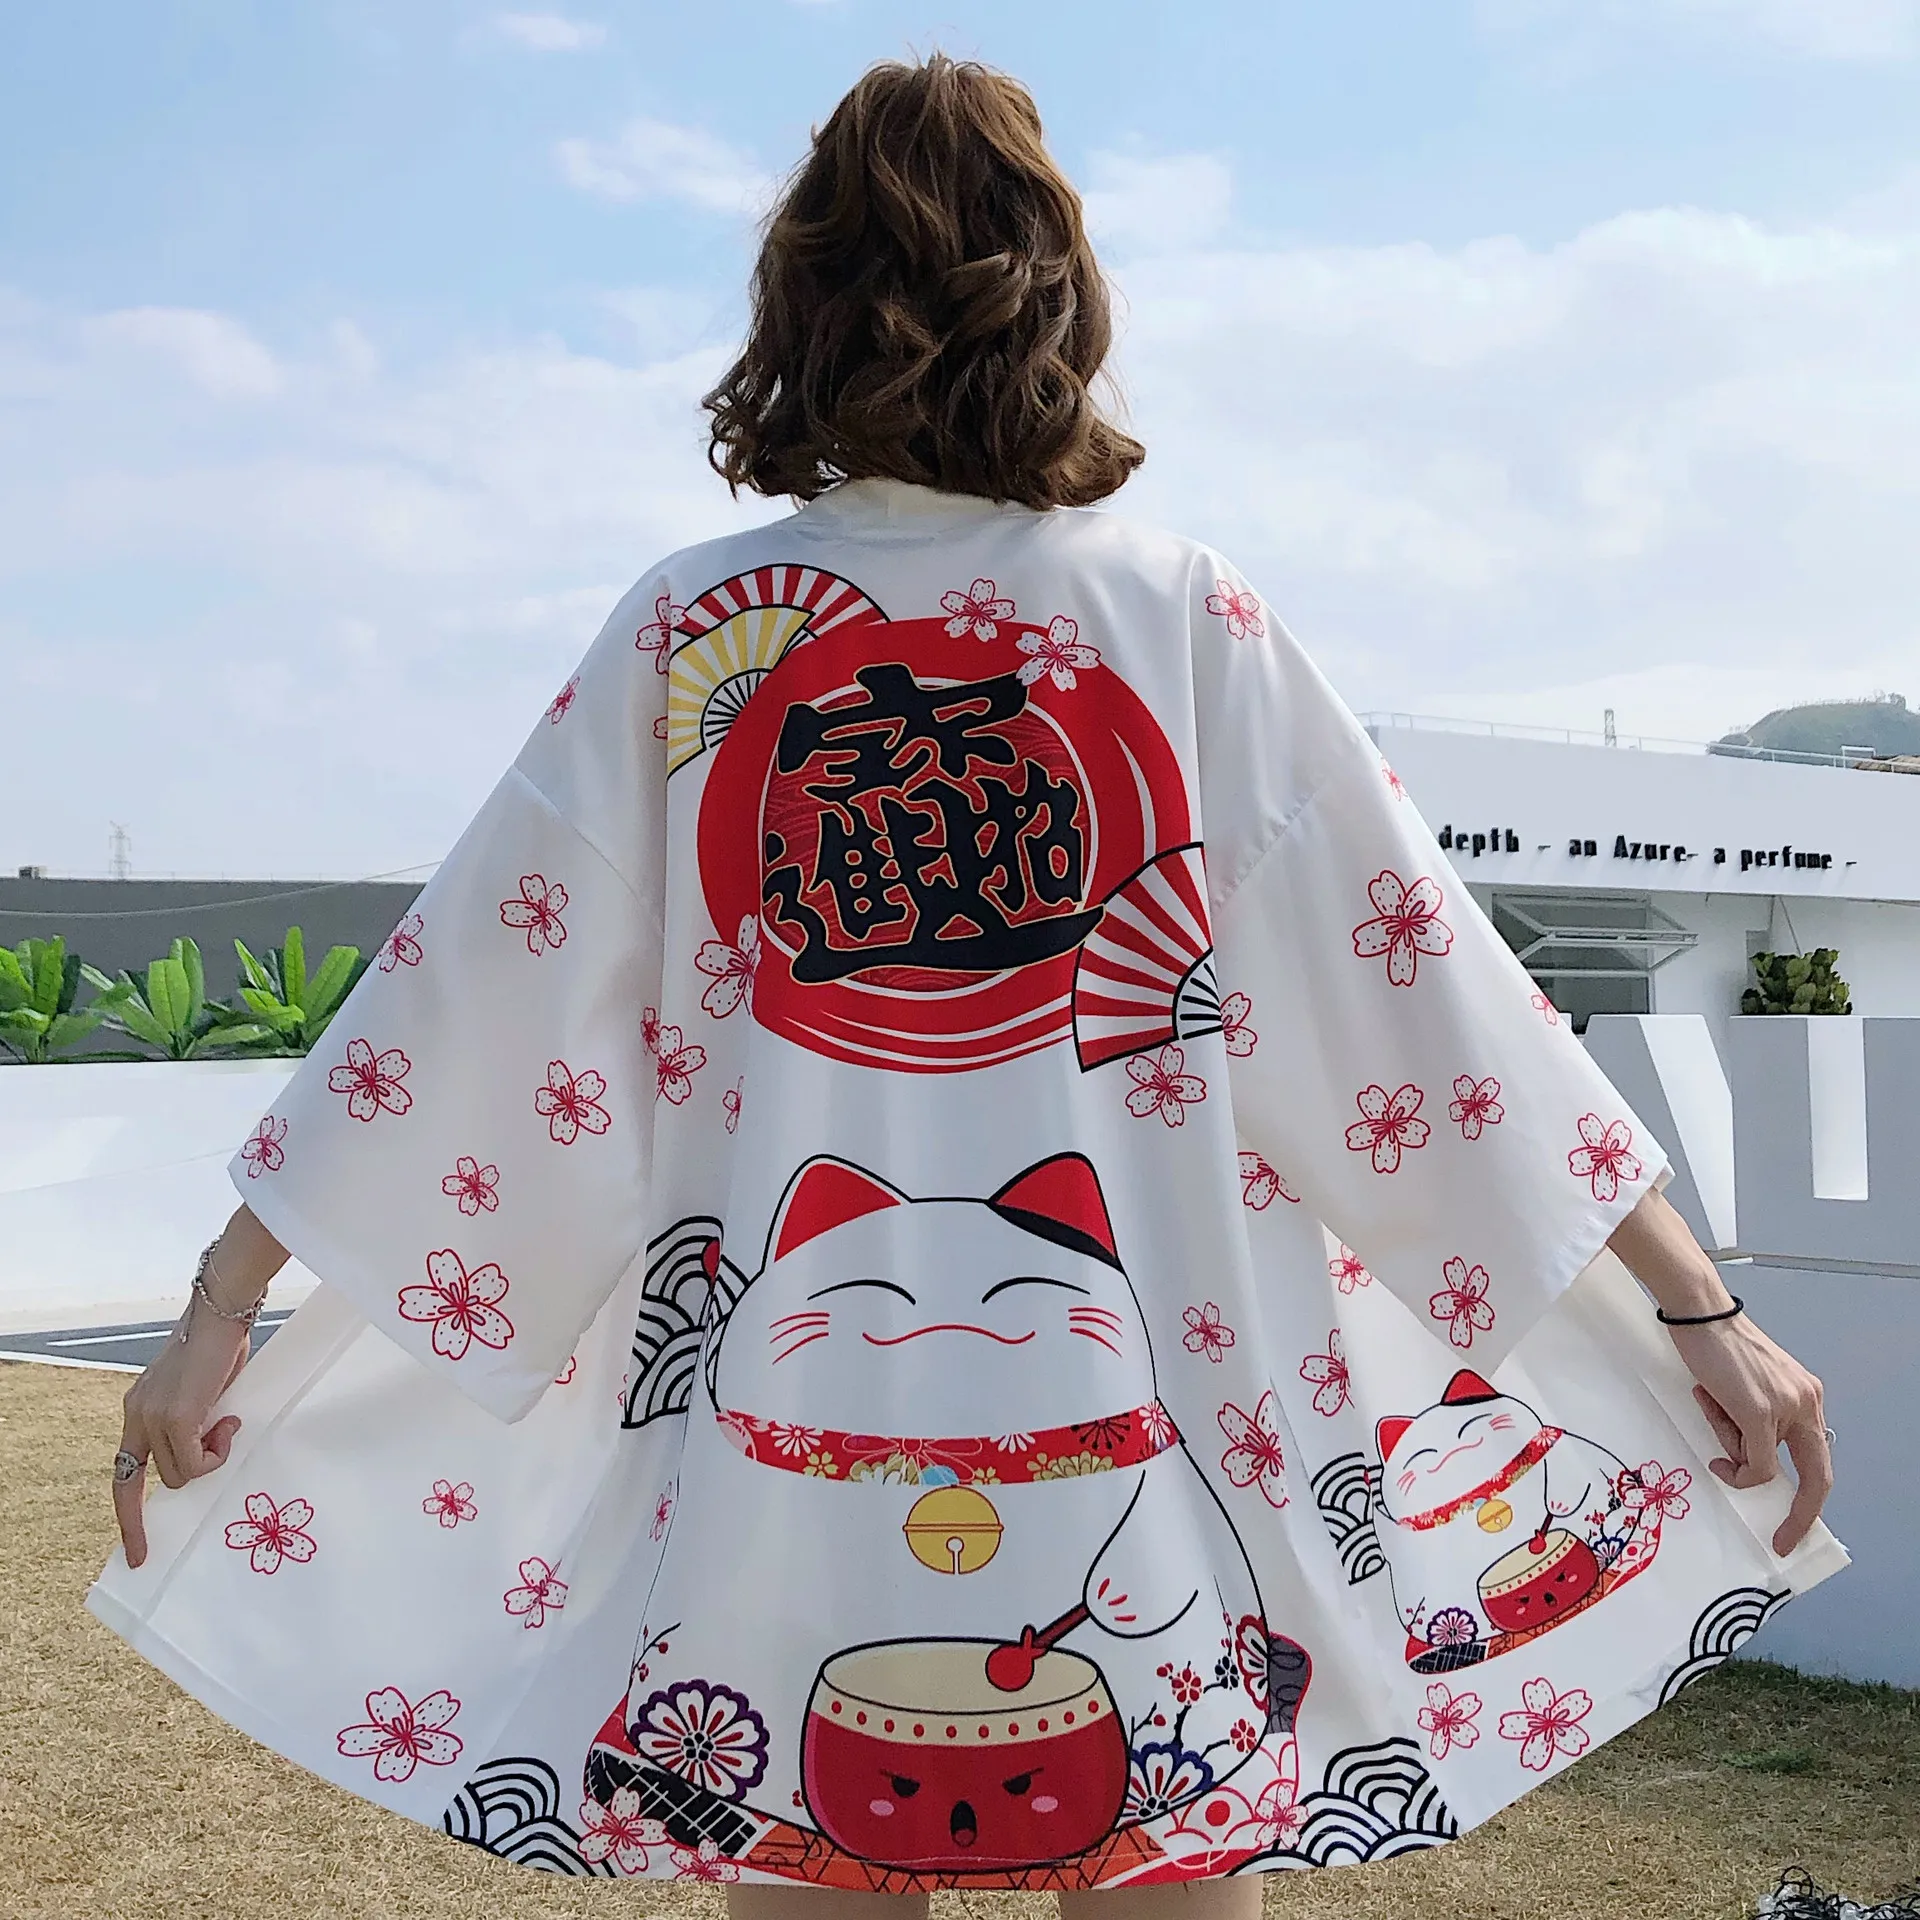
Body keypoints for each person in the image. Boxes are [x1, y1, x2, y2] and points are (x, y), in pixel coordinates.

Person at [98, 53, 1841, 1920]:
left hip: (782, 1434)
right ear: (1065, 301)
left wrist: (221, 1309)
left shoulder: (697, 636)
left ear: (800, 301)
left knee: (798, 1817)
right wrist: (1696, 1306)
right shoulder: (1180, 618)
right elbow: (1426, 1003)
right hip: (1156, 1410)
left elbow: (468, 1013)